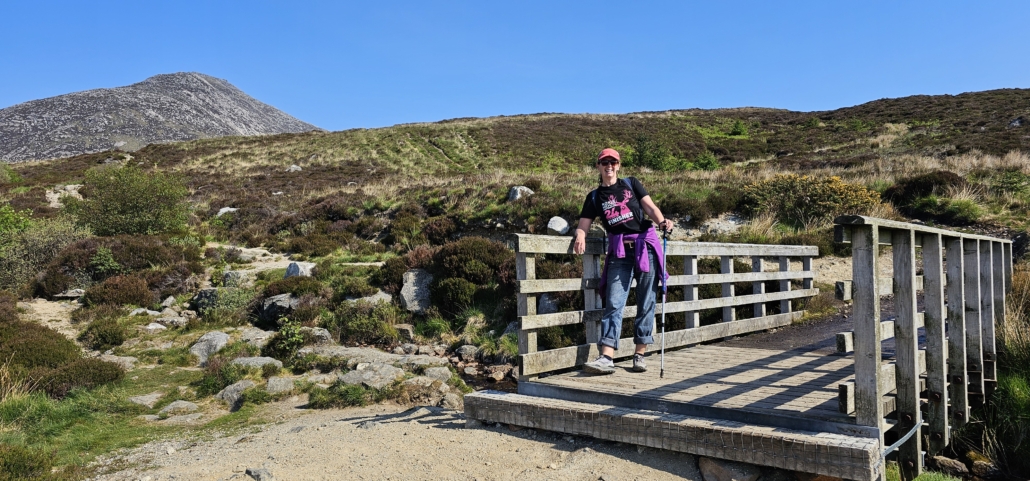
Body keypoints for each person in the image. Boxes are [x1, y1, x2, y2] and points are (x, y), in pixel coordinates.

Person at [573, 148, 671, 375]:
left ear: (618, 165)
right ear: (598, 166)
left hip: (644, 247)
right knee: (614, 303)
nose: (609, 166)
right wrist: (580, 234)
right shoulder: (595, 197)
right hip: (618, 252)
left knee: (646, 300)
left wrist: (662, 221)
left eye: (613, 162)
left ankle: (640, 354)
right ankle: (607, 357)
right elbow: (584, 224)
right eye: (604, 162)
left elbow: (650, 207)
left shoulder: (631, 184)